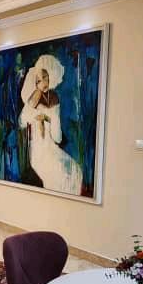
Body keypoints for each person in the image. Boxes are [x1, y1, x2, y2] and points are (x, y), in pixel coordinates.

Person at [18, 53, 82, 194]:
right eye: (39, 81)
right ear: (35, 83)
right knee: (57, 171)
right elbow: (22, 121)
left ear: (51, 76)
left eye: (45, 77)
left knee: (75, 170)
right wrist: (37, 117)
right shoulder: (34, 97)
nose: (43, 83)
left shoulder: (54, 97)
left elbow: (57, 137)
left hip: (51, 146)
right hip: (38, 149)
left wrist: (49, 119)